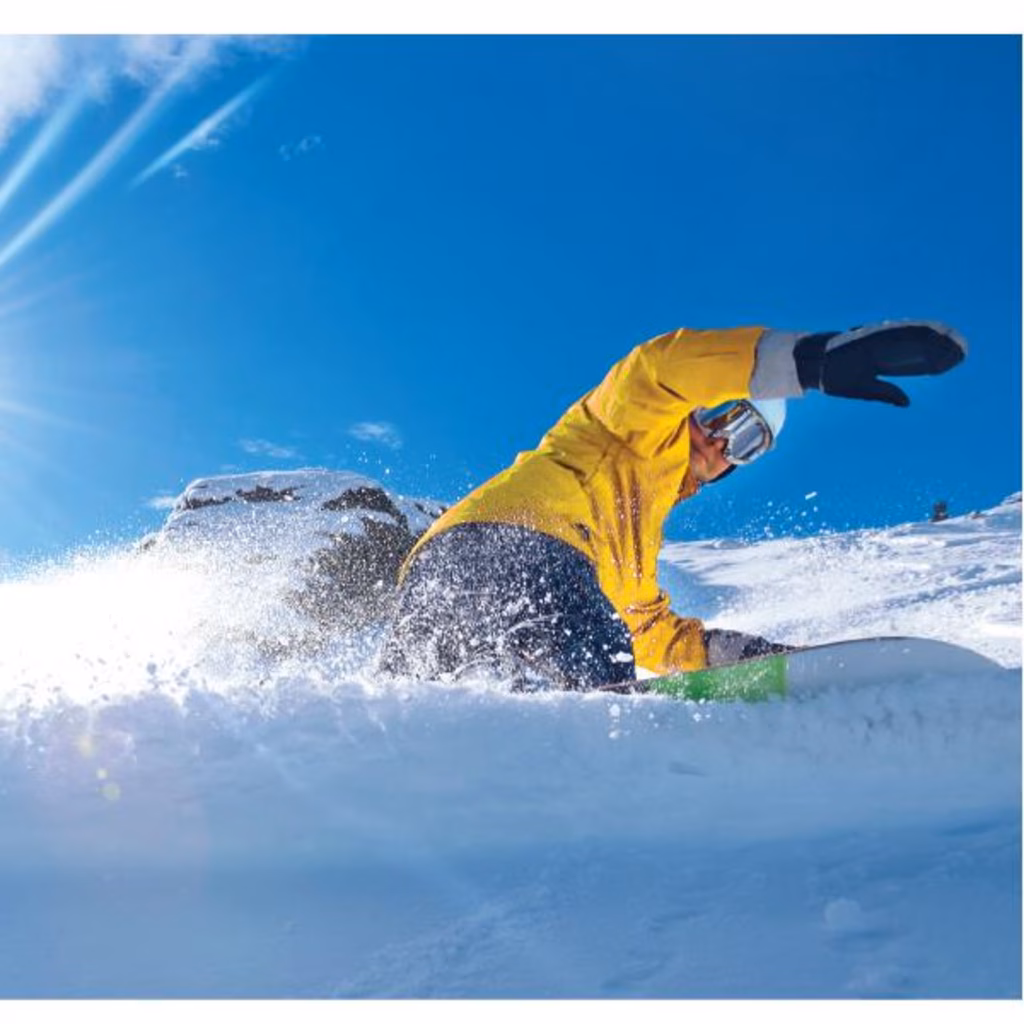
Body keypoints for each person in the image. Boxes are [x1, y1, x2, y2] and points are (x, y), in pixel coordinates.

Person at [377, 321, 966, 690]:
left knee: (428, 708)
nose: (722, 443)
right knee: (600, 692)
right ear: (696, 409)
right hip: (511, 545)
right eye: (724, 417)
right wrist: (811, 363)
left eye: (748, 441)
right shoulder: (629, 424)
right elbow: (660, 368)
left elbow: (653, 633)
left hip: (431, 581)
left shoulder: (635, 541)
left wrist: (749, 659)